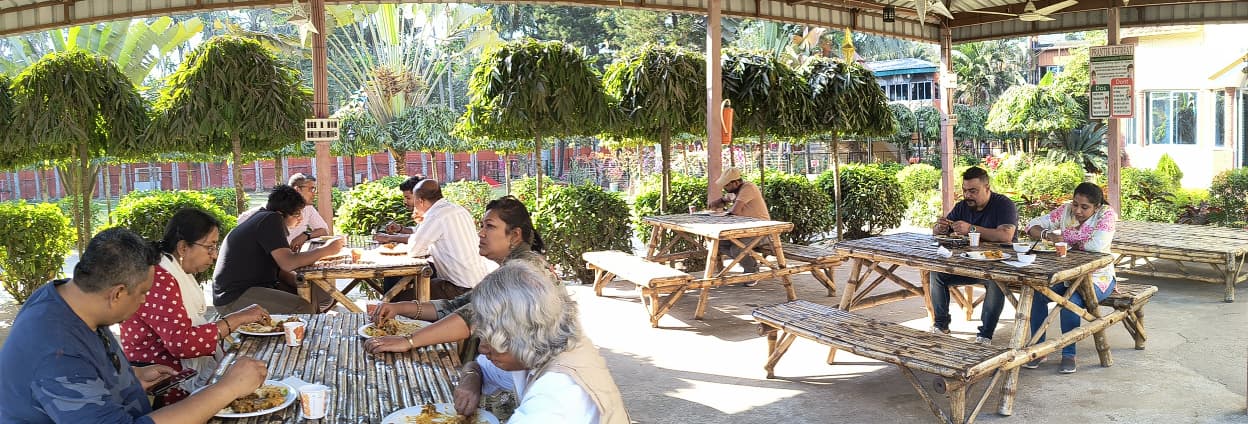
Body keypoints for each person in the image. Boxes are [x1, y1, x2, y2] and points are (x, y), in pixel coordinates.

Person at [0, 228, 269, 424]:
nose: (144, 302)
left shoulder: (66, 296)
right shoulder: (57, 352)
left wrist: (128, 377)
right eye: (143, 293)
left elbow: (87, 365)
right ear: (117, 294)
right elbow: (69, 367)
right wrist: (227, 389)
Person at [365, 195, 553, 354]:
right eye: (482, 226)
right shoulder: (515, 266)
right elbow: (455, 305)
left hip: (532, 370)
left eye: (489, 226)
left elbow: (469, 317)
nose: (481, 234)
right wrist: (398, 308)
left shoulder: (521, 271)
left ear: (515, 235)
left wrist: (408, 341)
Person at [121, 208, 271, 405]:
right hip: (163, 386)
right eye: (210, 247)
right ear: (183, 247)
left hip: (176, 375)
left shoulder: (174, 269)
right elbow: (182, 343)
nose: (214, 255)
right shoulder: (159, 277)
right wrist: (237, 319)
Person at [451, 262, 629, 424]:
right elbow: (479, 367)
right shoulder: (541, 347)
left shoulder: (556, 396)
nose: (482, 348)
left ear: (520, 334)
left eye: (491, 337)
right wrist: (470, 378)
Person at [1022, 182, 1118, 374]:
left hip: (1098, 277)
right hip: (1067, 275)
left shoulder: (1106, 214)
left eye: (1085, 207)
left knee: (1070, 302)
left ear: (1097, 207)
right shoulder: (1065, 211)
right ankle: (1039, 348)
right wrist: (1048, 234)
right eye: (1075, 204)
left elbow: (1096, 246)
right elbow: (1030, 226)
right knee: (1038, 295)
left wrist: (1063, 236)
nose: (1077, 211)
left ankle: (1069, 353)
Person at [213, 184, 345, 315]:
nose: (300, 218)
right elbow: (288, 262)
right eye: (296, 214)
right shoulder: (270, 219)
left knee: (318, 294)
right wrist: (327, 249)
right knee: (303, 308)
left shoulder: (264, 218)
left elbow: (281, 269)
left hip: (251, 288)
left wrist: (303, 284)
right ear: (281, 214)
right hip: (233, 298)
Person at [929, 166, 1018, 345]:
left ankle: (985, 335)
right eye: (965, 190)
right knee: (936, 272)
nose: (967, 195)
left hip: (1000, 264)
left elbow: (1006, 236)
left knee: (995, 280)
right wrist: (940, 228)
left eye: (973, 191)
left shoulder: (1003, 204)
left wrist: (971, 228)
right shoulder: (963, 206)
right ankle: (941, 325)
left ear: (987, 188)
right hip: (969, 265)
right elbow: (940, 231)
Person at [399, 179, 493, 300]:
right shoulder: (459, 209)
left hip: (460, 288)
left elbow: (414, 250)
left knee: (398, 299)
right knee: (424, 284)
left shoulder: (436, 215)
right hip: (479, 283)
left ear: (420, 201)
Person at [708, 166, 770, 286]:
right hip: (746, 231)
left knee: (736, 249)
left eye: (726, 185)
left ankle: (752, 271)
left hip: (762, 231)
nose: (725, 188)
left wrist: (722, 212)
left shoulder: (748, 188)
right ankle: (750, 263)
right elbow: (723, 200)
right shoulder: (735, 192)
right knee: (717, 243)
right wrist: (717, 203)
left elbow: (735, 211)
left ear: (735, 183)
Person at [237, 173, 330, 251]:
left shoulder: (308, 208)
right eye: (311, 189)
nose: (315, 193)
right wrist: (326, 251)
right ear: (297, 189)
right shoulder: (268, 214)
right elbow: (285, 261)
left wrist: (305, 235)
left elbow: (324, 231)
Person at [373, 175, 426, 244]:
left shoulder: (434, 216)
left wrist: (389, 238)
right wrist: (400, 229)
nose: (405, 202)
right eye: (404, 198)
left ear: (420, 197)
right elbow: (417, 231)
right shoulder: (426, 214)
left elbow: (420, 238)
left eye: (408, 198)